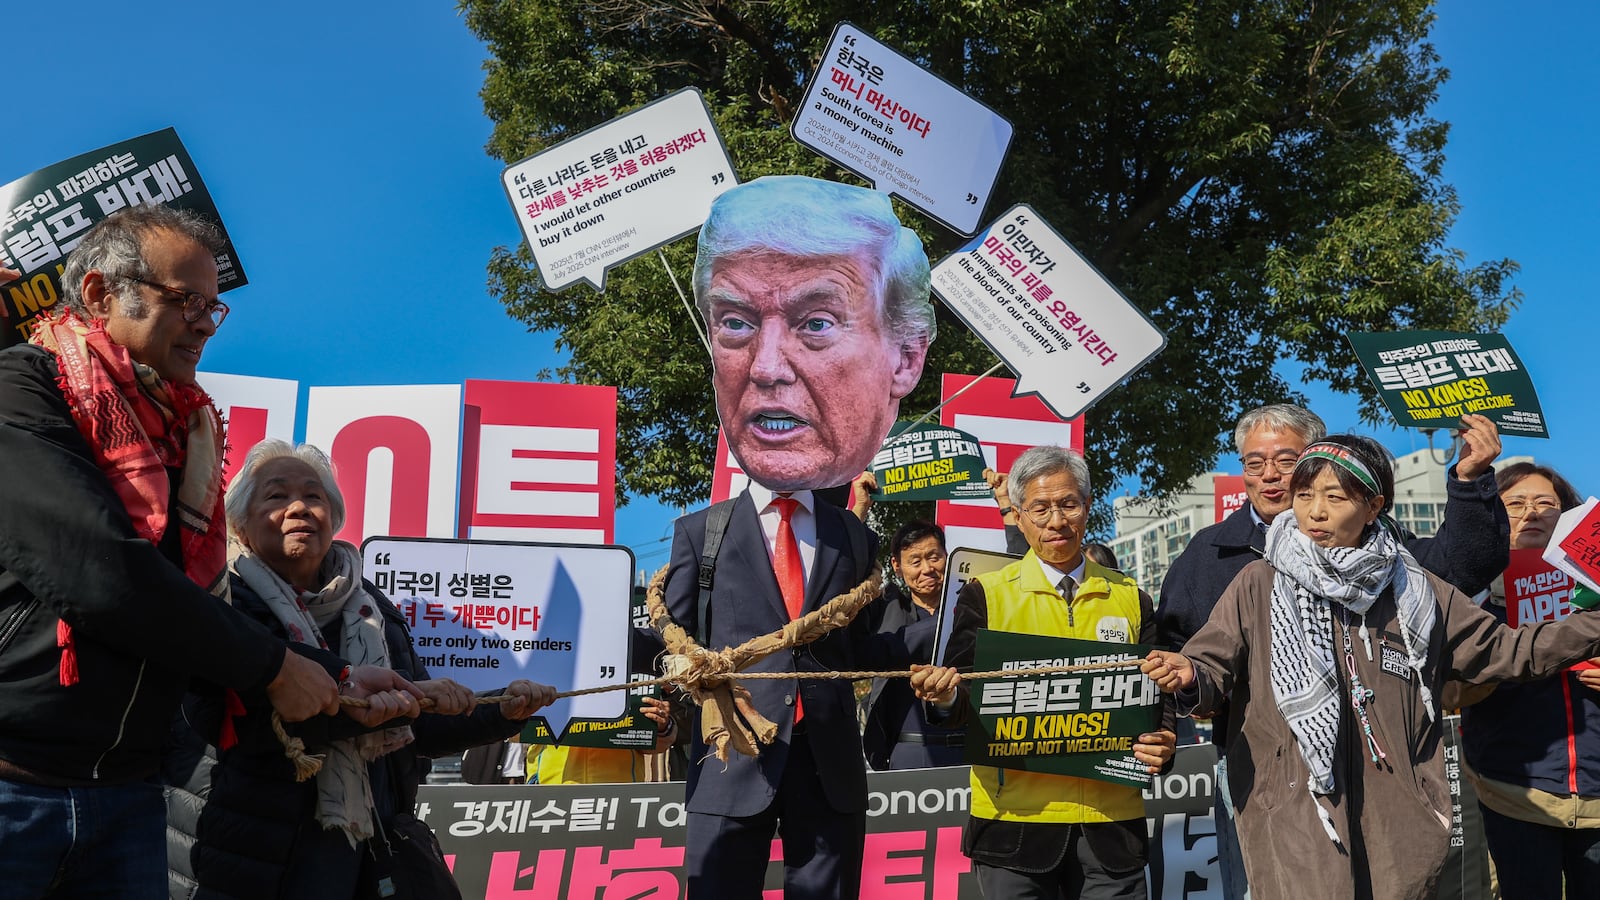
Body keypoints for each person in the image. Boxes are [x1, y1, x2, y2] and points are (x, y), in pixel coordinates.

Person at [0, 211, 363, 899]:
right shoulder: (20, 386)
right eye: (184, 300)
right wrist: (273, 666)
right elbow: (101, 573)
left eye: (213, 306)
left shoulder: (181, 436)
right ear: (103, 294)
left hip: (129, 798)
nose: (203, 323)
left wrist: (337, 676)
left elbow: (193, 611)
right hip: (14, 787)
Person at [1140, 436, 1600, 900]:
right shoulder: (1258, 582)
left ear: (1373, 505)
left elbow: (1508, 650)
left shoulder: (1418, 590)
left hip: (1399, 809)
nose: (1315, 512)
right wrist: (1188, 672)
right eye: (1304, 496)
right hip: (1293, 803)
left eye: (1334, 497)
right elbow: (1211, 661)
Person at [166, 441, 558, 899]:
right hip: (242, 857)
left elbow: (412, 726)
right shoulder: (218, 603)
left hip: (362, 861)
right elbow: (223, 719)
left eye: (314, 497)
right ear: (240, 523)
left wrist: (502, 711)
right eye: (276, 496)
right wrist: (353, 705)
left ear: (334, 517)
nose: (299, 508)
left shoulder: (374, 611)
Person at [912, 445, 1177, 899]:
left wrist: (1164, 741)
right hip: (1013, 824)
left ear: (1088, 507)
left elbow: (1159, 695)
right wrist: (945, 696)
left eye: (1069, 504)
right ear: (1018, 516)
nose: (1057, 521)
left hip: (1112, 826)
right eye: (1040, 508)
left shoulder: (1131, 596)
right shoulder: (985, 594)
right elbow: (960, 701)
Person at [694, 175, 935, 493]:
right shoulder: (703, 534)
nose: (765, 368)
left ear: (906, 359)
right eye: (736, 323)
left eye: (816, 324)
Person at [1460, 462, 1600, 899]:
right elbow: (1448, 692)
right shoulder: (1471, 597)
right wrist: (1495, 667)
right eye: (1515, 503)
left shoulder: (1595, 593)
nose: (1531, 514)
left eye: (1546, 504)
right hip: (1515, 794)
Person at [863, 521, 965, 770]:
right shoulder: (884, 608)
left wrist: (1006, 505)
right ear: (897, 566)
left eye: (934, 557)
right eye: (915, 561)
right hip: (908, 751)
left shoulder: (972, 605)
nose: (928, 569)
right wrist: (861, 511)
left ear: (947, 556)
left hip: (971, 748)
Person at [525, 697, 680, 784]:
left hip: (617, 795)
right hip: (549, 790)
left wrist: (661, 726)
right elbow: (514, 733)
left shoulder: (636, 652)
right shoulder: (547, 651)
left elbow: (653, 744)